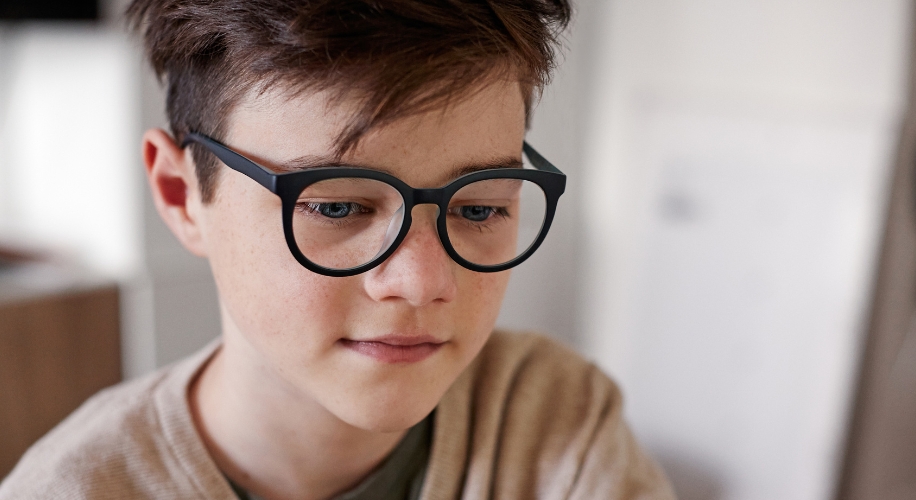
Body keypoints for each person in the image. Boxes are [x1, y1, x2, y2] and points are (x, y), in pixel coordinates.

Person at [0, 1, 674, 498]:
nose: (420, 281)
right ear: (181, 196)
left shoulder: (551, 421)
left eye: (479, 208)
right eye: (336, 206)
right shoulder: (73, 489)